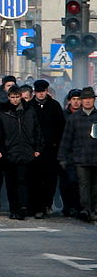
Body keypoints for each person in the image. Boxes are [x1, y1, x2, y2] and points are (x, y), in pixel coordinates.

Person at [0, 86, 43, 219]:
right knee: (11, 183)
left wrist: (37, 149)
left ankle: (23, 207)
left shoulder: (29, 110)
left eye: (17, 97)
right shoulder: (2, 111)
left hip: (26, 152)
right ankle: (14, 209)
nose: (14, 100)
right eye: (12, 97)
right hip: (9, 153)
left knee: (23, 181)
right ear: (8, 97)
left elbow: (37, 131)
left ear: (21, 96)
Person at [58, 86, 97, 223]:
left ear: (94, 100)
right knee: (83, 185)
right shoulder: (74, 118)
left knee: (94, 186)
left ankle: (93, 208)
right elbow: (66, 139)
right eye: (85, 99)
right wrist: (62, 157)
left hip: (95, 157)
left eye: (90, 99)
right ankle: (86, 209)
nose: (87, 101)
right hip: (80, 158)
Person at [28, 79, 65, 219]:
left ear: (46, 91)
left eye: (43, 91)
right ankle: (37, 206)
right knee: (35, 179)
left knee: (50, 180)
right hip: (34, 149)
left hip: (51, 150)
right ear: (34, 92)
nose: (41, 94)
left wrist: (57, 145)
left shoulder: (54, 106)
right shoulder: (29, 106)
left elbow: (61, 127)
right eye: (38, 92)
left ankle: (46, 204)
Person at [60, 89, 83, 217]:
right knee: (67, 182)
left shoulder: (86, 116)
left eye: (78, 99)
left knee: (80, 182)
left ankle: (79, 206)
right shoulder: (63, 115)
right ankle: (68, 206)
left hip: (82, 153)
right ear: (69, 101)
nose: (76, 102)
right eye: (73, 99)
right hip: (67, 153)